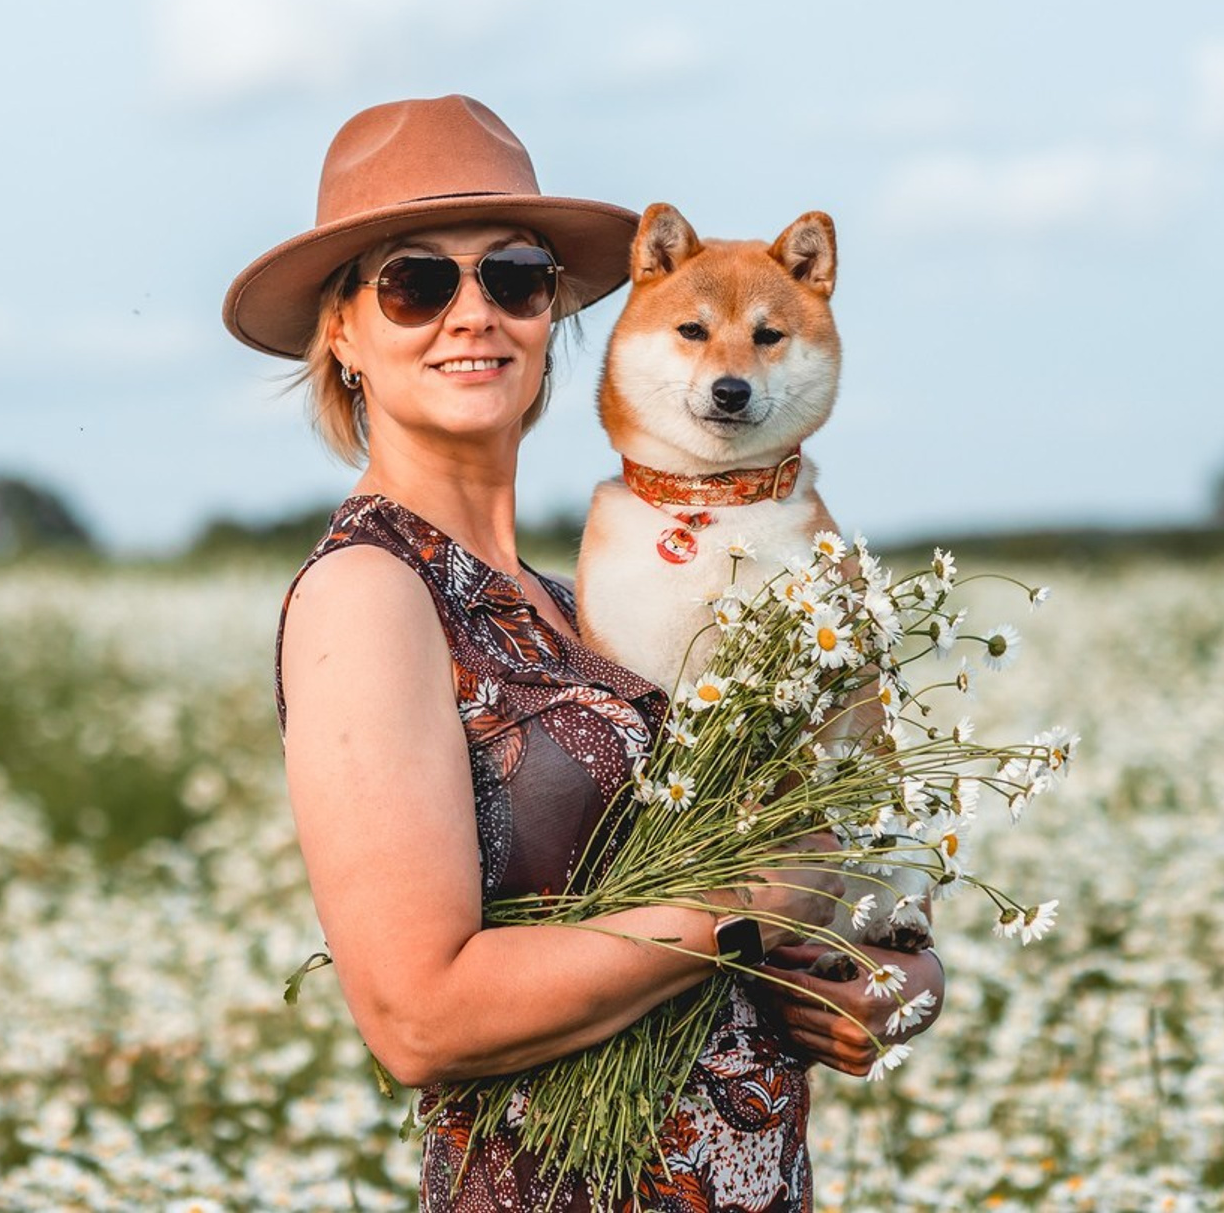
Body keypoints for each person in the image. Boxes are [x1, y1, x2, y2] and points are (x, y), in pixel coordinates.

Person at [223, 94, 945, 1211]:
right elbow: (419, 1015)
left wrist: (885, 975)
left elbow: (828, 852)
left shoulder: (572, 604)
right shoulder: (372, 592)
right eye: (415, 281)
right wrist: (740, 905)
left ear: (551, 310)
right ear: (344, 331)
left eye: (511, 277)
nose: (472, 313)